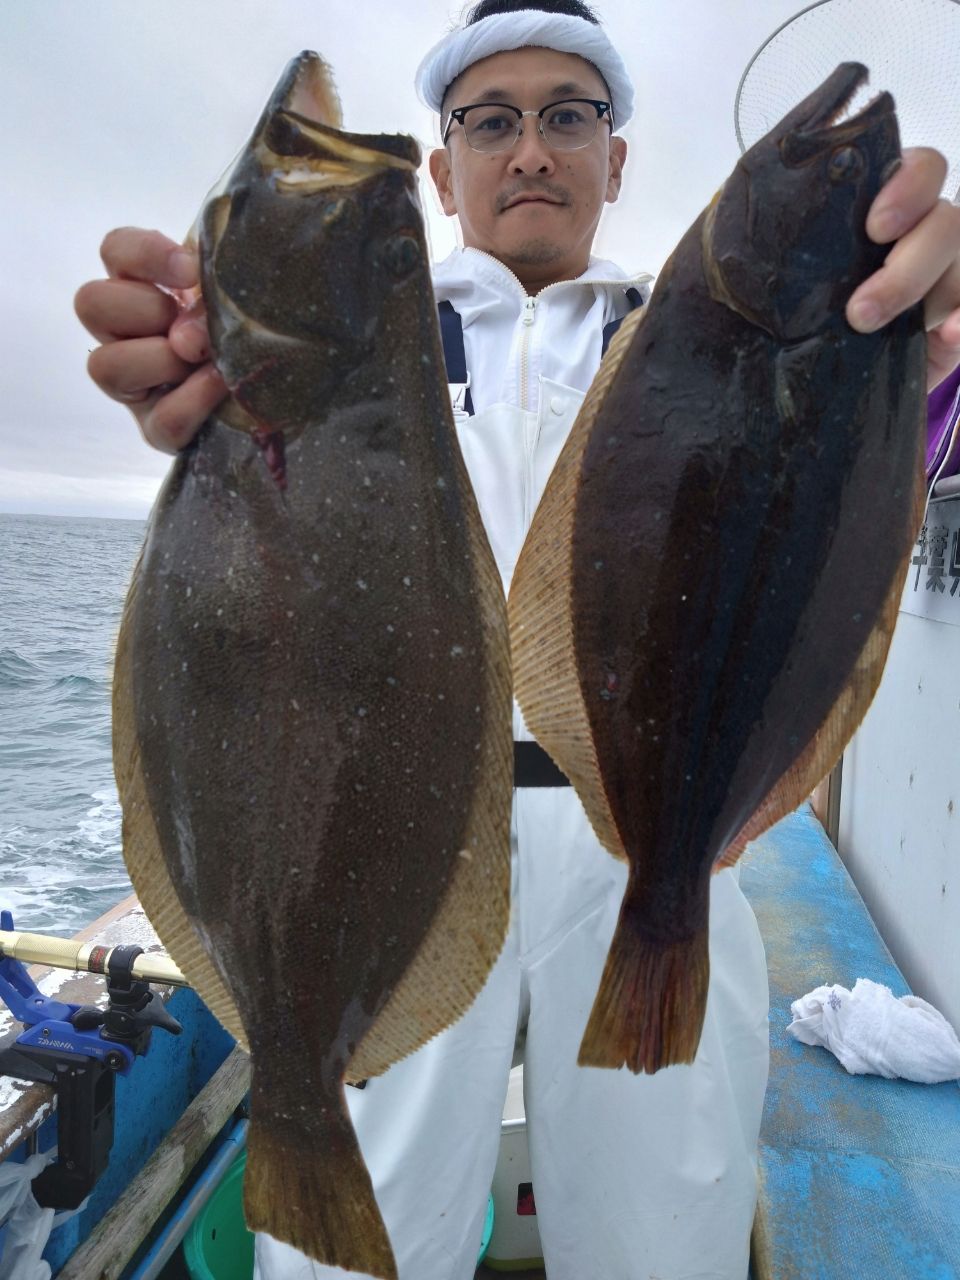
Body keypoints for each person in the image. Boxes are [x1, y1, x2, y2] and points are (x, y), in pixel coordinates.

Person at [75, 2, 960, 1277]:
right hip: (399, 833)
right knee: (359, 1243)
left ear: (617, 158)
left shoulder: (686, 324)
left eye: (568, 115)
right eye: (491, 121)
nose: (532, 149)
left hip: (657, 836)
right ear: (441, 173)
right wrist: (195, 370)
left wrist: (912, 367)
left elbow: (842, 512)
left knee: (670, 1232)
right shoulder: (374, 321)